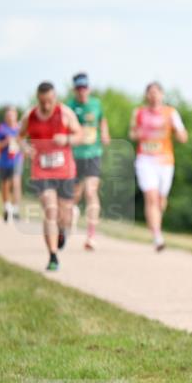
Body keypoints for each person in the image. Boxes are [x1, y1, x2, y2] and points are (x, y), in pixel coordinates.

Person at [20, 82, 84, 271]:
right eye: (43, 102)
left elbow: (80, 135)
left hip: (65, 170)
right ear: (37, 99)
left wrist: (67, 139)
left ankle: (62, 230)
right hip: (41, 170)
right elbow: (19, 137)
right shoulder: (30, 116)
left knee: (64, 216)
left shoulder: (65, 113)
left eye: (49, 101)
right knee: (50, 210)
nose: (46, 105)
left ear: (54, 98)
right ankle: (53, 256)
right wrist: (25, 148)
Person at [129, 82, 188, 251]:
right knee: (151, 197)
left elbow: (183, 136)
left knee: (160, 200)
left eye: (156, 92)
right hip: (145, 160)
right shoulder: (138, 112)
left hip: (165, 161)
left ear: (162, 94)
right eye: (150, 92)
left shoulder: (171, 113)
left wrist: (179, 133)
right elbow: (132, 133)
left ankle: (156, 227)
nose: (154, 96)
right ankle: (157, 236)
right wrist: (138, 134)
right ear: (146, 95)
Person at [67, 72, 111, 250]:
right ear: (74, 90)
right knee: (75, 194)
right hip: (75, 155)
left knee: (91, 192)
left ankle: (91, 236)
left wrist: (105, 133)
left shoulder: (96, 104)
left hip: (93, 153)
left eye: (84, 87)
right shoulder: (69, 107)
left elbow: (102, 120)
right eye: (79, 88)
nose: (82, 91)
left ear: (89, 88)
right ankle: (73, 212)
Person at [0, 106, 24, 222]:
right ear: (5, 117)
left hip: (17, 159)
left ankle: (16, 209)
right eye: (8, 115)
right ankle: (6, 207)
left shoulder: (20, 129)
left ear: (16, 116)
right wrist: (6, 141)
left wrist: (20, 143)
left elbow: (24, 144)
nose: (10, 117)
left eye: (12, 115)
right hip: (4, 161)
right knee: (5, 184)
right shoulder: (1, 129)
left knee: (16, 183)